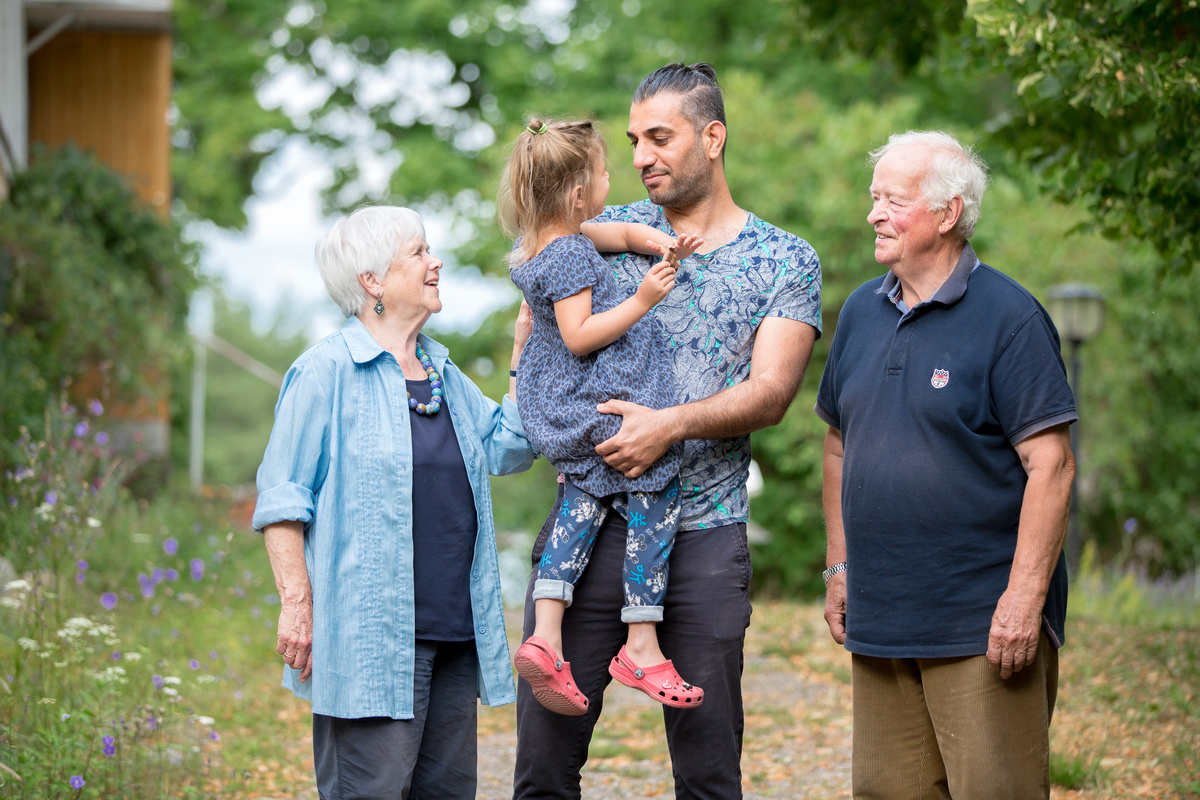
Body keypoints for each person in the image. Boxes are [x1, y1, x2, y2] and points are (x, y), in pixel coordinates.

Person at [513, 63, 823, 800]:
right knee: (543, 768)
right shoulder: (602, 232)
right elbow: (537, 317)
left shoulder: (783, 259)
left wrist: (668, 427)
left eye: (660, 137)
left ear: (712, 137)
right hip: (586, 528)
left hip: (704, 533)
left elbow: (774, 391)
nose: (643, 155)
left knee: (709, 774)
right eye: (633, 141)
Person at [815, 130, 1076, 799]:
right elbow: (839, 444)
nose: (873, 213)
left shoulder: (1010, 318)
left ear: (949, 213)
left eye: (893, 201)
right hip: (882, 618)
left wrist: (1023, 602)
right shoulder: (859, 316)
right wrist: (840, 568)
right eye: (874, 197)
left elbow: (1052, 466)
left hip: (980, 624)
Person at [252, 205, 537, 800]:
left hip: (456, 634)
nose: (435, 263)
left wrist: (523, 353)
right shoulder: (324, 373)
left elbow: (507, 446)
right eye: (418, 252)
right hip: (369, 643)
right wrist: (296, 607)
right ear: (372, 281)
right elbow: (282, 500)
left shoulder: (442, 372)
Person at [499, 116, 706, 717]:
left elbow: (607, 234)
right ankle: (641, 642)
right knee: (654, 488)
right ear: (575, 192)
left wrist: (651, 242)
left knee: (580, 506)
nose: (612, 177)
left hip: (556, 403)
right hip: (589, 403)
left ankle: (546, 637)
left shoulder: (547, 238)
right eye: (601, 172)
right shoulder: (567, 255)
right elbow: (579, 334)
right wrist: (644, 298)